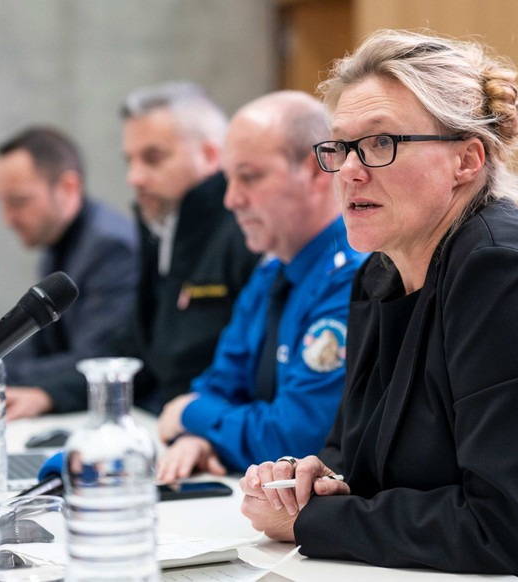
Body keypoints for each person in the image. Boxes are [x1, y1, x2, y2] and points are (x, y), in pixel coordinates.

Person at [240, 30, 518, 582]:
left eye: (380, 143)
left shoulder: (505, 272)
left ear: (467, 159)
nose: (351, 170)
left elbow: (499, 528)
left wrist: (313, 522)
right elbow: (354, 457)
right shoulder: (379, 273)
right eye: (340, 147)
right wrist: (309, 482)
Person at [6, 82, 261, 419]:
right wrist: (50, 394)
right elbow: (133, 349)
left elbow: (249, 375)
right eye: (130, 160)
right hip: (170, 424)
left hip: (209, 431)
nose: (135, 177)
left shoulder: (247, 234)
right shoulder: (163, 230)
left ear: (210, 156)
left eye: (153, 158)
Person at [156, 90, 366, 482]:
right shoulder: (273, 269)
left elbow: (297, 437)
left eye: (249, 177)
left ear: (316, 172)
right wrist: (198, 437)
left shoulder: (355, 276)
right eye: (228, 179)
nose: (231, 199)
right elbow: (220, 383)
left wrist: (190, 415)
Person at [0, 126, 138, 420]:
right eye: (2, 203)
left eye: (18, 202)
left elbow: (96, 362)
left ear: (67, 188)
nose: (7, 219)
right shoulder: (58, 240)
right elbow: (40, 345)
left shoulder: (112, 249)